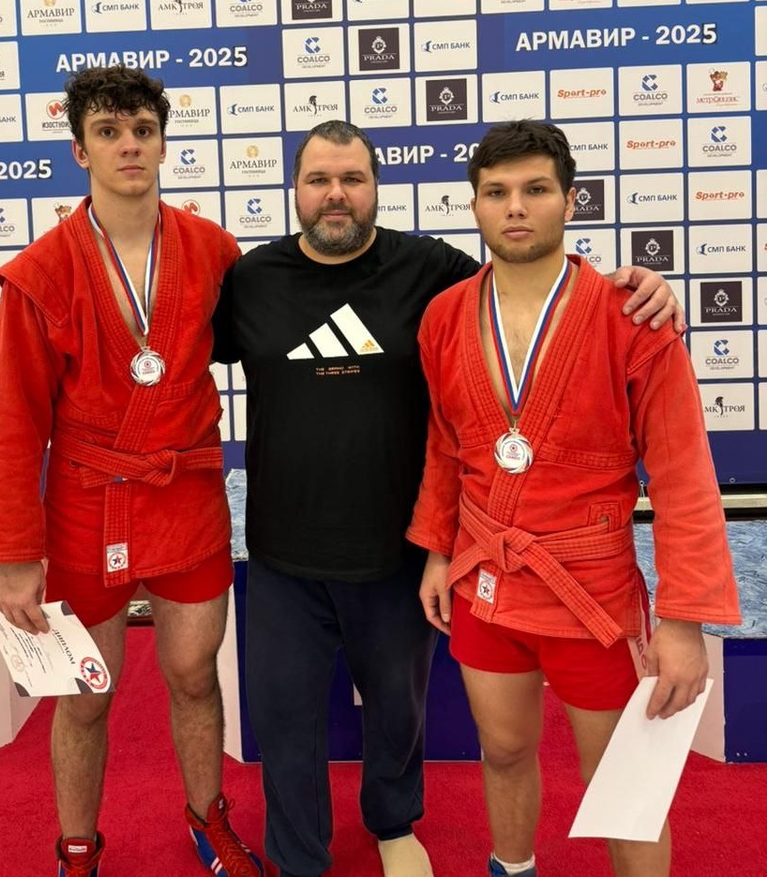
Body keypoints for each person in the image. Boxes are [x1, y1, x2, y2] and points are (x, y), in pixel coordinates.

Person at [213, 119, 682, 877]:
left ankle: (394, 823)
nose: (336, 194)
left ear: (376, 188)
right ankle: (299, 860)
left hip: (400, 550)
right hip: (282, 552)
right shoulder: (252, 279)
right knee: (285, 719)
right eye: (319, 179)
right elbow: (168, 360)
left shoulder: (430, 270)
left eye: (353, 179)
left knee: (399, 712)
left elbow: (530, 281)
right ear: (294, 190)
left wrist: (639, 285)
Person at [408, 119, 741, 877]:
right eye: (496, 192)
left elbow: (685, 479)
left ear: (569, 200)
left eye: (535, 189)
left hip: (589, 588)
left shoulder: (633, 318)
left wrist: (683, 621)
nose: (514, 207)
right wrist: (437, 551)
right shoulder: (445, 316)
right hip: (486, 577)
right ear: (474, 205)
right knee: (502, 749)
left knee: (624, 787)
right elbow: (445, 448)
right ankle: (512, 866)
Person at [0, 66, 263, 877]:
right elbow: (17, 422)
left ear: (163, 144)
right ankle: (78, 847)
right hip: (86, 504)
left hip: (185, 492)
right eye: (108, 132)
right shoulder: (41, 273)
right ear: (80, 150)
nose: (128, 145)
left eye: (142, 131)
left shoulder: (212, 250)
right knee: (86, 693)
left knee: (195, 676)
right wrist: (14, 556)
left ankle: (209, 819)